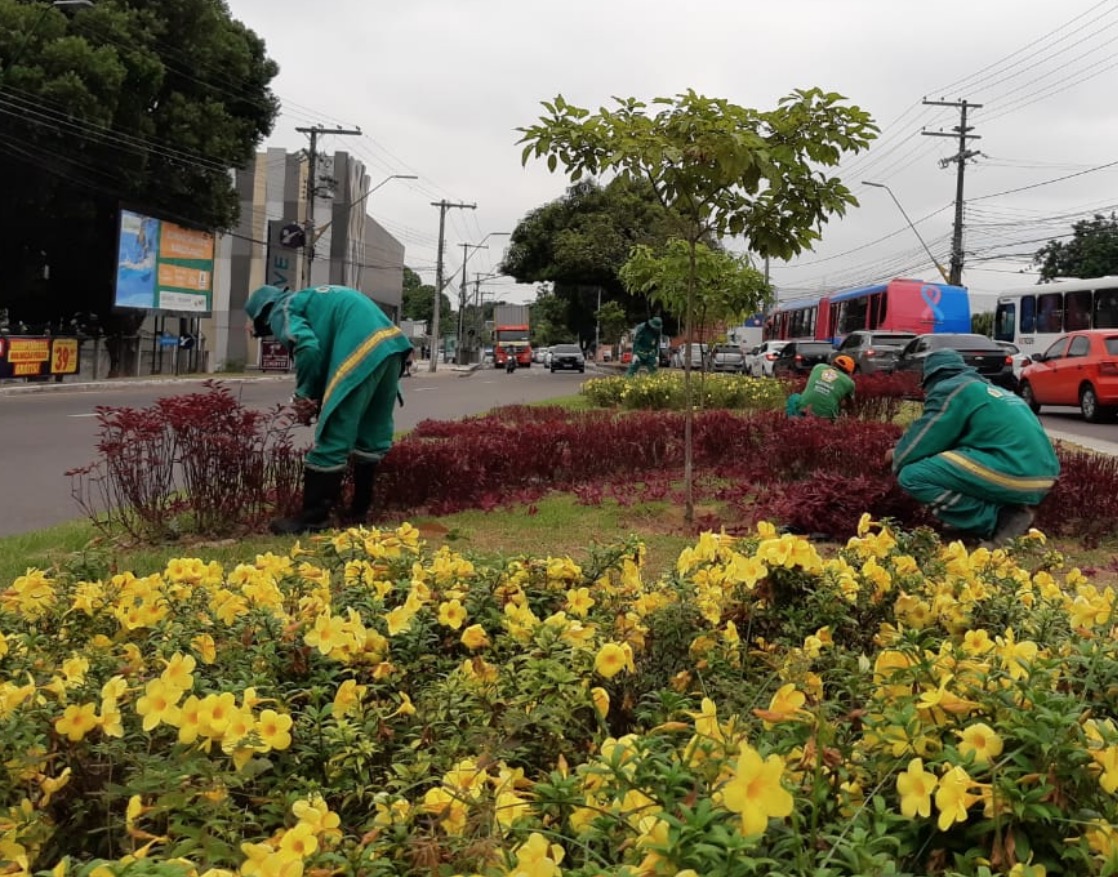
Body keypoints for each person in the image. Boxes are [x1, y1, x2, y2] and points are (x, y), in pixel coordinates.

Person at [245, 284, 414, 535]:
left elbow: (306, 347)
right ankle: (359, 512)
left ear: (261, 313)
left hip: (361, 351)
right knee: (369, 437)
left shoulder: (283, 308)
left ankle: (314, 518)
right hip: (392, 348)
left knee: (334, 435)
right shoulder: (312, 299)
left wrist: (304, 396)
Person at [886, 349, 1060, 547]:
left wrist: (896, 457)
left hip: (1015, 470)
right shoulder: (991, 391)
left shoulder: (951, 390)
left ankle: (998, 519)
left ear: (932, 377)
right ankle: (999, 512)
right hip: (1042, 475)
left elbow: (925, 439)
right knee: (952, 463)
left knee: (913, 475)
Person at [785, 355, 856, 420]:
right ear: (849, 372)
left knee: (794, 397)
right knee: (836, 405)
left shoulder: (818, 367)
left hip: (805, 409)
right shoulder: (849, 382)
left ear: (833, 363)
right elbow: (850, 405)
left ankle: (792, 418)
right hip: (827, 417)